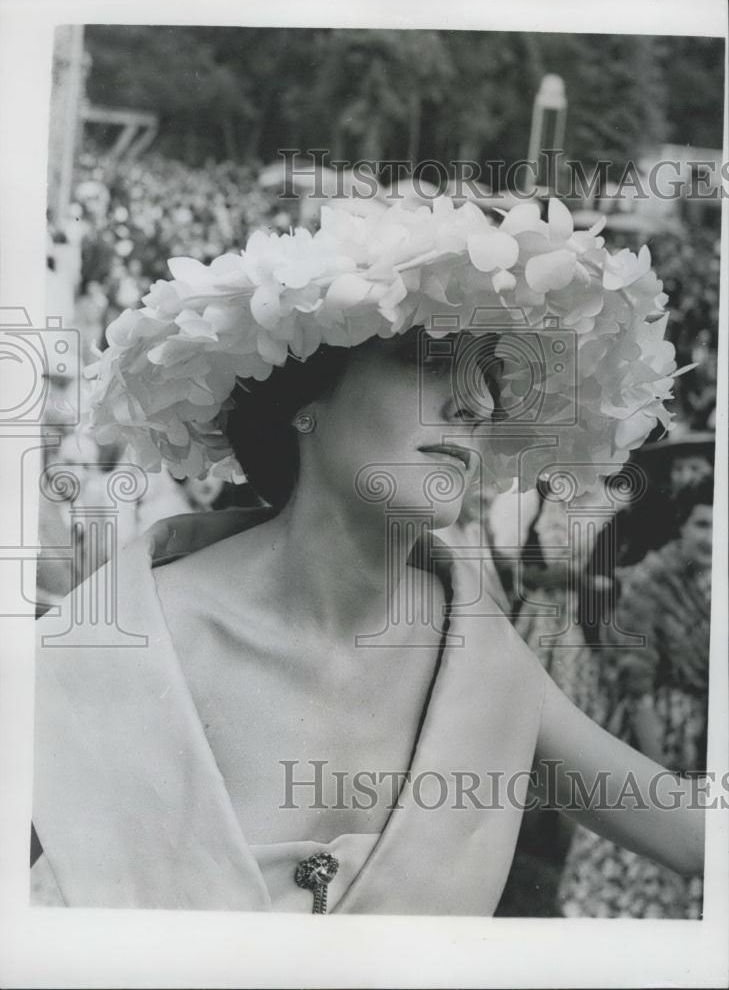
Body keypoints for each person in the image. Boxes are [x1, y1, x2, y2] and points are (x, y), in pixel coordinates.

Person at [32, 197, 705, 913]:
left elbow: (693, 835)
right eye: (427, 359)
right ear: (301, 396)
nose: (473, 405)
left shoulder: (480, 656)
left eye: (490, 379)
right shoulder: (119, 643)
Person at [557, 475, 713, 918]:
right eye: (701, 525)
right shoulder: (652, 582)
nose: (710, 539)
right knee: (648, 829)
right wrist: (659, 768)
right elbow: (635, 682)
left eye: (719, 527)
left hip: (702, 727)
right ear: (681, 526)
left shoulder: (712, 580)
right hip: (656, 726)